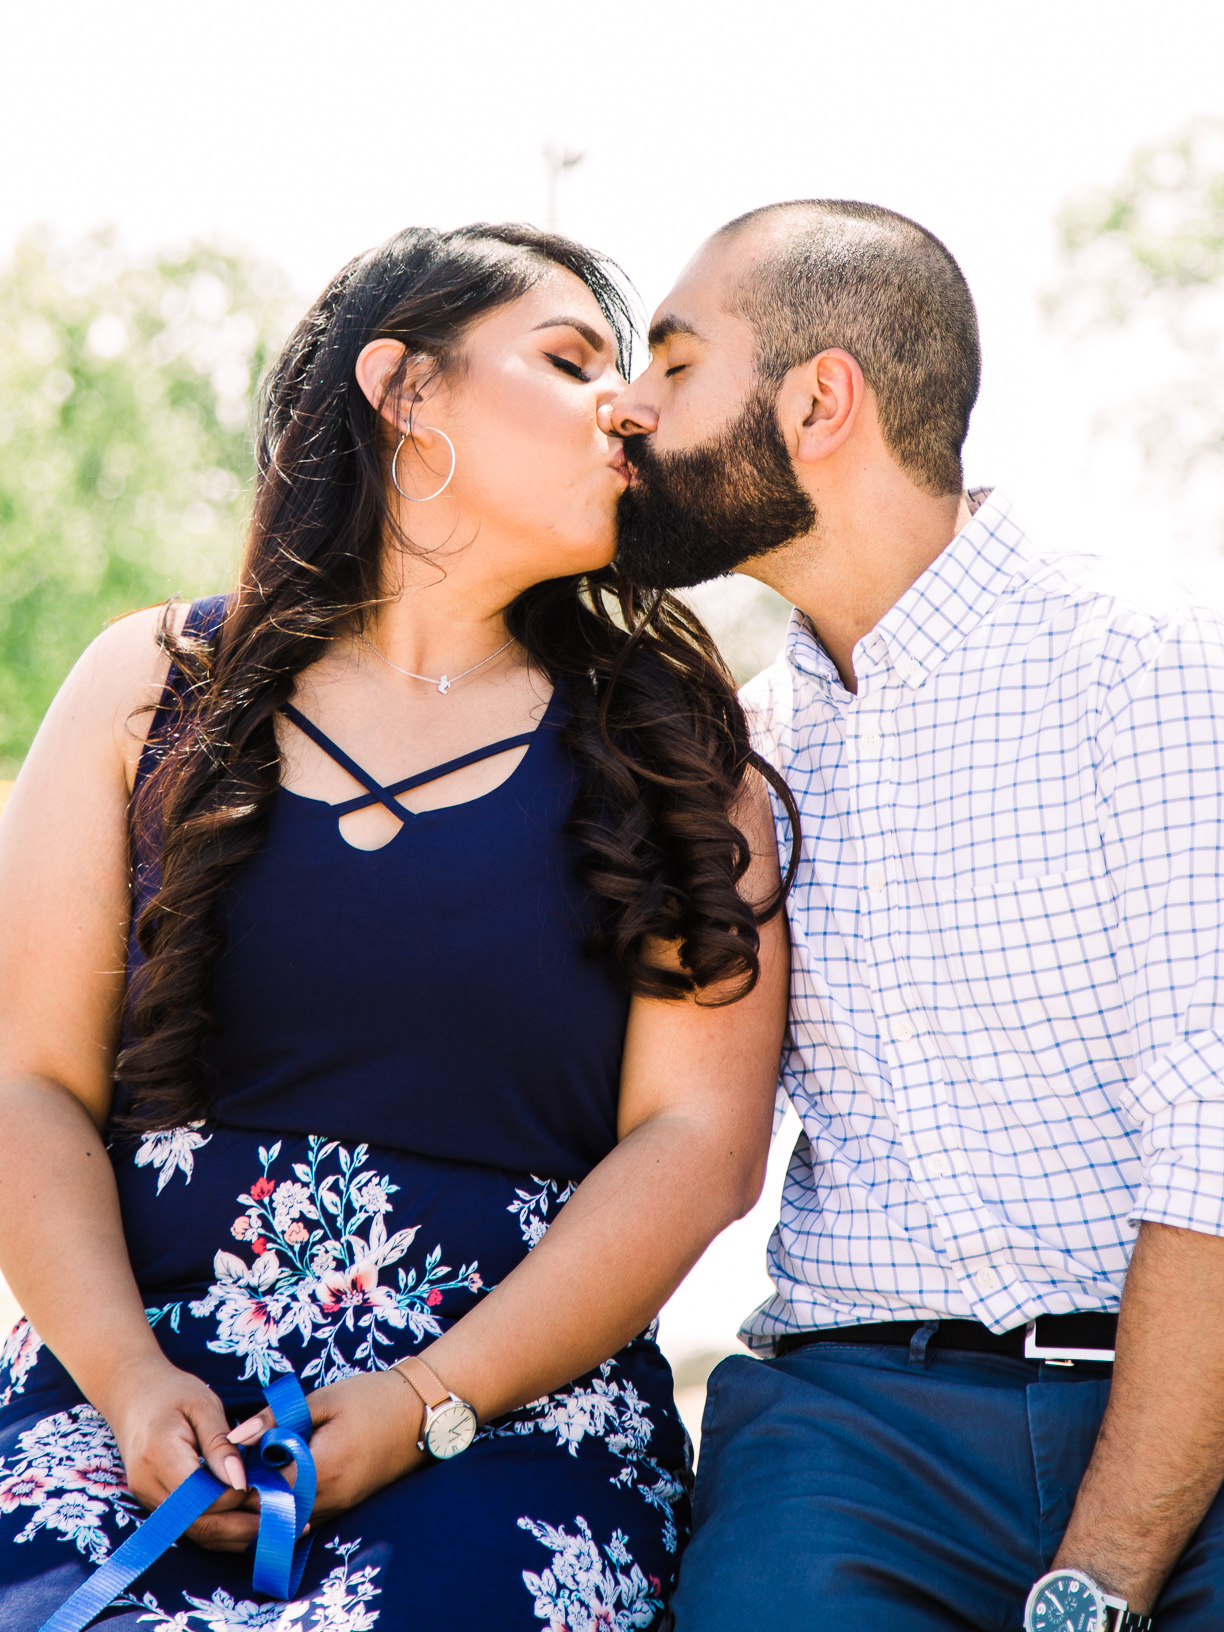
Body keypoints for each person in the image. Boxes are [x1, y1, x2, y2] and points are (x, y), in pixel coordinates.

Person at [0, 222, 791, 1631]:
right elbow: (29, 1085)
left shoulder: (673, 742)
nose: (626, 405)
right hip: (134, 1402)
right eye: (567, 361)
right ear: (404, 390)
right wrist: (127, 1381)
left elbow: (698, 1149)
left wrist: (429, 1399)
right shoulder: (147, 686)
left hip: (508, 1425)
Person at [610, 198, 1224, 1630]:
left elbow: (1218, 1159)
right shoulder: (743, 758)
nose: (627, 409)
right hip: (850, 1440)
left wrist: (1103, 1578)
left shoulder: (1155, 681)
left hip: (1188, 1406)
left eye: (676, 363)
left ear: (823, 400)